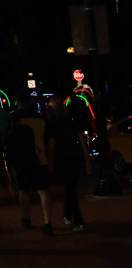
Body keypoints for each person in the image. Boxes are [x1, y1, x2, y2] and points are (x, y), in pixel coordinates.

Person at [6, 96, 53, 235]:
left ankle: (26, 218)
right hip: (40, 158)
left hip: (22, 159)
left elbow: (8, 141)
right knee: (44, 191)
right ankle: (47, 222)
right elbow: (48, 141)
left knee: (23, 190)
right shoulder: (41, 119)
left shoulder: (14, 119)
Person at [46, 94, 91, 232]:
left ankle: (77, 220)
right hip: (75, 156)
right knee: (70, 187)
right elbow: (81, 139)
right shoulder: (71, 120)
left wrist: (51, 162)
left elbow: (52, 145)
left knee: (69, 188)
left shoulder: (52, 123)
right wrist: (86, 159)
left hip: (62, 157)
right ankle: (68, 215)